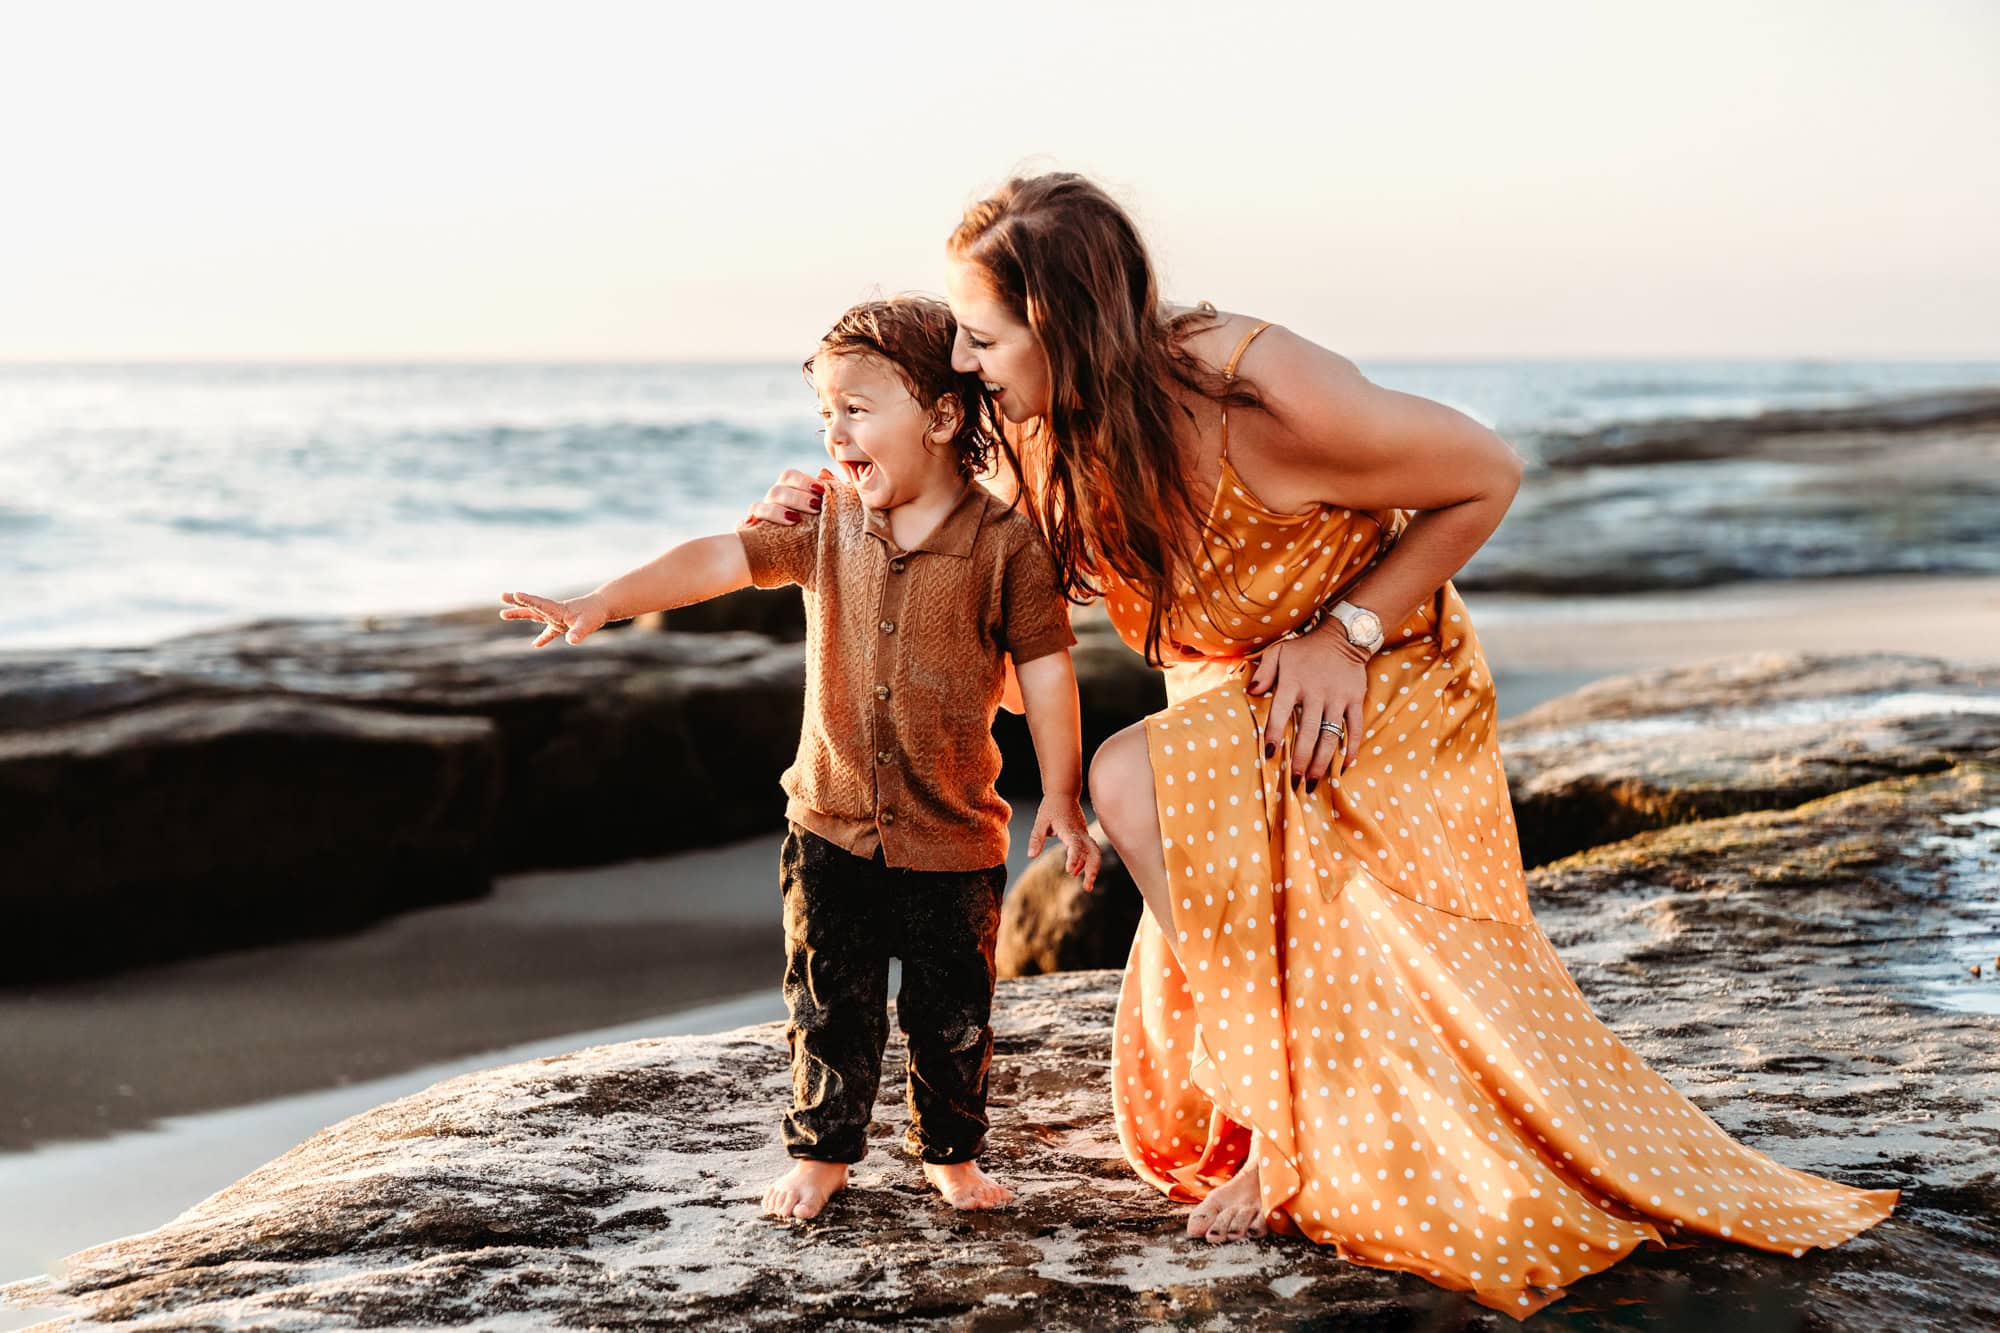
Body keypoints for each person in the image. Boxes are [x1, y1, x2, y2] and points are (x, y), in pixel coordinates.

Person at [743, 174, 1899, 1315]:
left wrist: (1343, 633)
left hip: (1374, 673)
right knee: (1145, 813)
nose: (961, 363)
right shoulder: (1048, 420)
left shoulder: (1263, 389)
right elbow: (944, 496)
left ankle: (1284, 1138)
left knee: (1126, 777)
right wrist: (833, 501)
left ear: (1059, 328)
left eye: (982, 338)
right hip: (1230, 691)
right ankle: (1264, 1103)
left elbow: (1485, 473)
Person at [501, 296, 1100, 1221]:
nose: (835, 431)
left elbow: (1049, 674)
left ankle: (951, 1151)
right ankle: (824, 1151)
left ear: (943, 416)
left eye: (857, 409)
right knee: (830, 1000)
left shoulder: (1007, 546)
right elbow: (714, 560)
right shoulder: (822, 523)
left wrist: (1060, 789)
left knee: (953, 1016)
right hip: (827, 824)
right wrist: (602, 603)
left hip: (955, 835)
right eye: (825, 413)